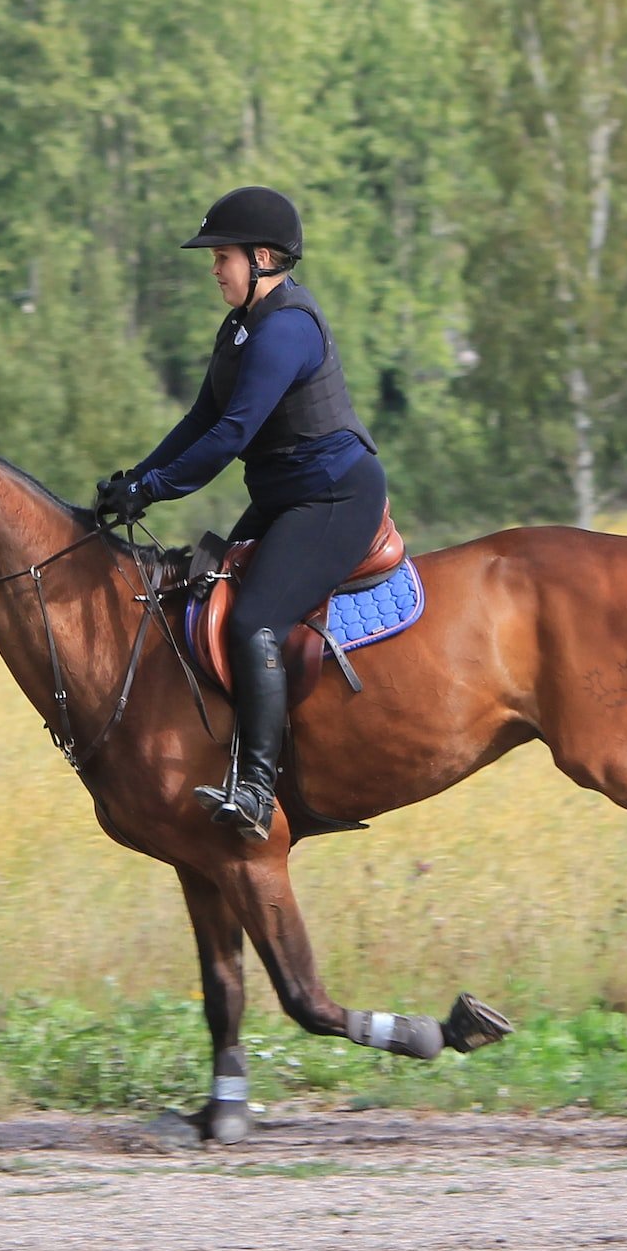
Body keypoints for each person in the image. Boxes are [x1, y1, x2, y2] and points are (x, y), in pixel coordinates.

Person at [96, 186, 384, 841]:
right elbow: (199, 418)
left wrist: (156, 490)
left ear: (261, 258)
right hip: (286, 495)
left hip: (334, 496)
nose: (213, 269)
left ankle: (257, 789)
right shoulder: (241, 326)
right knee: (207, 592)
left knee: (254, 620)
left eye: (221, 256)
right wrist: (135, 479)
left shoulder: (287, 328)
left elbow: (229, 435)